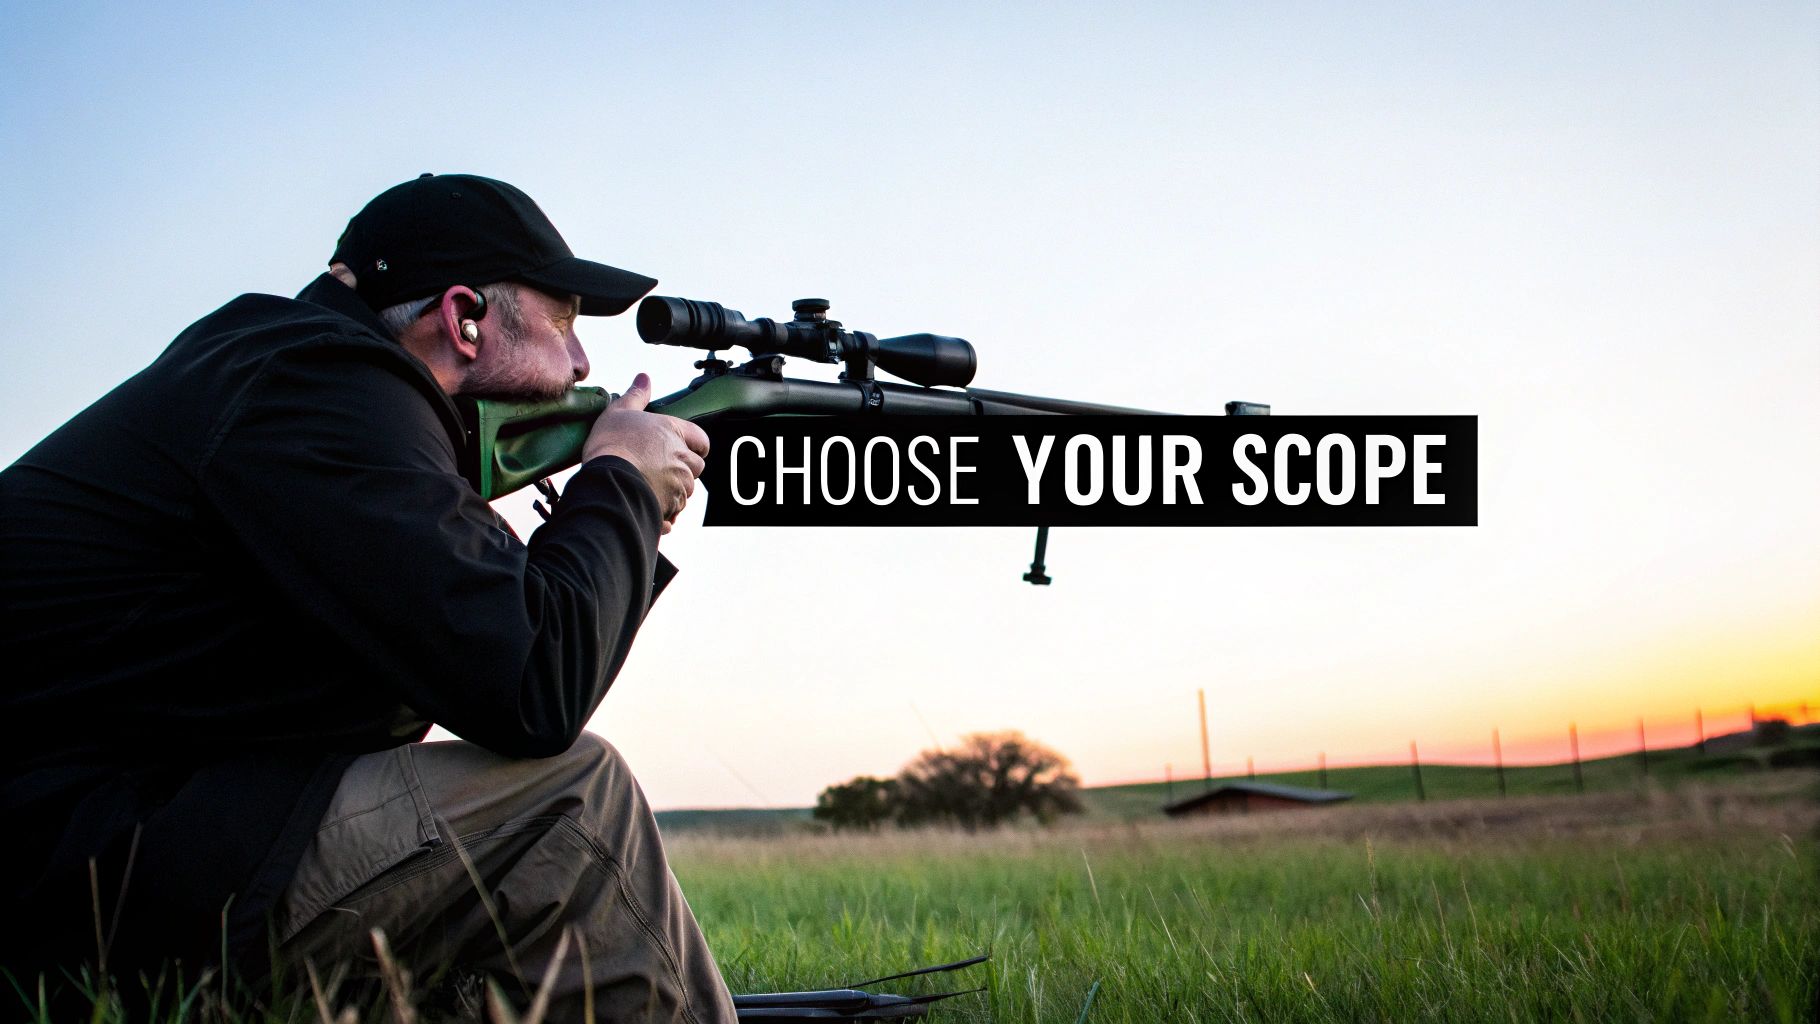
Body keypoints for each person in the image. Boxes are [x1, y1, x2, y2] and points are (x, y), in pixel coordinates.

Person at [0, 173, 737, 1022]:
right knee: (573, 799)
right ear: (464, 318)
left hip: (116, 852)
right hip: (81, 877)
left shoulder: (288, 378)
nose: (581, 365)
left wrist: (620, 502)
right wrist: (618, 484)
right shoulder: (323, 382)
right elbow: (537, 683)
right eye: (565, 324)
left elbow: (493, 637)